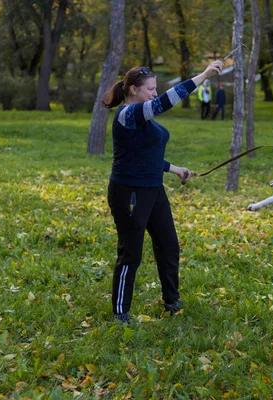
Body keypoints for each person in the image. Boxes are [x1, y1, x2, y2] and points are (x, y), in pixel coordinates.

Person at [102, 60, 224, 324]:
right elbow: (166, 102)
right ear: (133, 90)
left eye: (156, 88)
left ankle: (171, 300)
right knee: (131, 253)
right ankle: (120, 312)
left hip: (153, 189)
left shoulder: (142, 117)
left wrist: (175, 169)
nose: (154, 93)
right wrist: (204, 74)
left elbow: (145, 153)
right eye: (150, 89)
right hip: (129, 191)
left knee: (168, 245)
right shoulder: (127, 115)